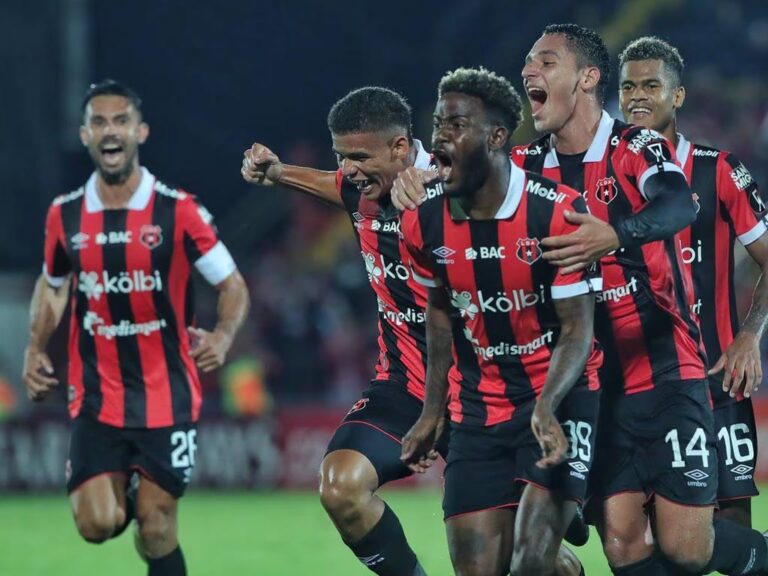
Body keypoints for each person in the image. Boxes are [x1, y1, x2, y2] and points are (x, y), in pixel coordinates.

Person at [391, 22, 768, 576]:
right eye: (528, 64)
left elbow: (680, 206)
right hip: (593, 388)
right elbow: (461, 166)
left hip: (666, 373)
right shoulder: (523, 164)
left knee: (688, 546)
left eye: (546, 62)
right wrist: (416, 179)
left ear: (588, 78)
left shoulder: (636, 146)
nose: (529, 73)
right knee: (622, 544)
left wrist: (614, 235)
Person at [23, 79, 249, 576]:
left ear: (140, 131)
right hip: (97, 398)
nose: (110, 130)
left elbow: (232, 285)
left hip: (166, 394)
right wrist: (34, 347)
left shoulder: (179, 210)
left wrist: (223, 336)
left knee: (156, 525)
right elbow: (54, 284)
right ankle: (125, 483)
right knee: (97, 525)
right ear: (84, 135)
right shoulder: (65, 215)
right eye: (99, 122)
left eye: (120, 120)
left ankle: (142, 494)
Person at [398, 66, 598, 576]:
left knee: (528, 563)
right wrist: (431, 410)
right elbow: (439, 313)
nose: (440, 135)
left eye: (457, 124)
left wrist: (549, 406)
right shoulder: (422, 222)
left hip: (558, 398)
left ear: (496, 136)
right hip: (478, 412)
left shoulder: (556, 214)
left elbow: (577, 329)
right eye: (438, 123)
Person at [241, 86, 440, 576]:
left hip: (483, 389)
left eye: (357, 157)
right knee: (341, 485)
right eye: (340, 156)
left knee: (526, 547)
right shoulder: (362, 188)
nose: (348, 169)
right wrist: (281, 173)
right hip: (405, 386)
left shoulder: (463, 187)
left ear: (399, 148)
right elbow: (337, 186)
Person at [617, 36, 766, 531]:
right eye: (628, 86)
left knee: (730, 531)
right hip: (635, 386)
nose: (637, 96)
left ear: (677, 96)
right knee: (638, 537)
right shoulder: (599, 177)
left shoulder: (717, 170)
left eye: (651, 85)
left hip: (716, 379)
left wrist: (749, 335)